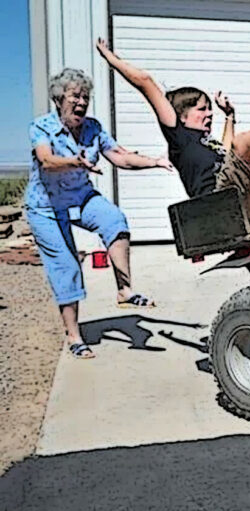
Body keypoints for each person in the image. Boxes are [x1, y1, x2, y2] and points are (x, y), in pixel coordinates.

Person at [95, 39, 250, 229]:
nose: (209, 114)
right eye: (202, 109)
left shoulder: (208, 142)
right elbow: (146, 82)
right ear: (181, 115)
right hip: (222, 204)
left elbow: (227, 155)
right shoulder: (179, 137)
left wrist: (229, 117)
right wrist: (110, 58)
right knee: (244, 144)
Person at [26, 68, 173, 359]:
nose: (81, 102)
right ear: (59, 99)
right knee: (67, 267)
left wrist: (154, 161)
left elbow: (120, 155)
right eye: (75, 96)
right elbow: (46, 160)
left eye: (85, 97)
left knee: (114, 219)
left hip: (80, 196)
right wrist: (75, 161)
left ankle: (125, 290)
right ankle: (74, 336)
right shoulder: (41, 127)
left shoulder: (93, 127)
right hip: (46, 207)